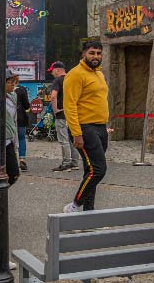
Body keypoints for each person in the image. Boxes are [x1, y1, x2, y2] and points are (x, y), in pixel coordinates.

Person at [64, 40, 109, 213]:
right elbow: (70, 105)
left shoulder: (99, 74)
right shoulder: (75, 74)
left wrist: (105, 126)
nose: (96, 56)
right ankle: (74, 206)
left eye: (98, 53)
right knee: (98, 169)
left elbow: (98, 102)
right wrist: (77, 133)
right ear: (83, 54)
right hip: (84, 128)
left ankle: (88, 213)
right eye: (92, 53)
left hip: (100, 127)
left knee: (91, 171)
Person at [44, 61, 75, 171]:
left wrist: (56, 109)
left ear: (57, 70)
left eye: (52, 71)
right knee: (72, 139)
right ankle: (74, 162)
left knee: (63, 139)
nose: (52, 73)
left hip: (61, 114)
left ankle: (66, 163)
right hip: (71, 113)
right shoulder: (71, 79)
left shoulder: (57, 80)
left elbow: (53, 97)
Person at [4, 73, 29, 176]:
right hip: (21, 119)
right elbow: (27, 105)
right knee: (22, 138)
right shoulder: (22, 90)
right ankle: (22, 158)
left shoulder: (13, 95)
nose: (12, 85)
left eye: (12, 82)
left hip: (14, 124)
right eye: (10, 82)